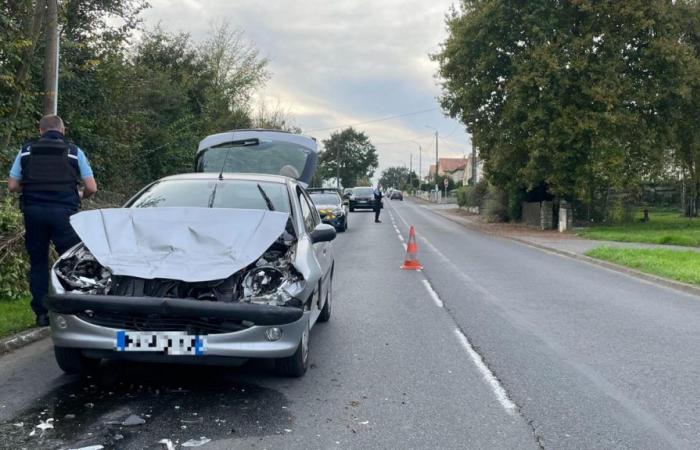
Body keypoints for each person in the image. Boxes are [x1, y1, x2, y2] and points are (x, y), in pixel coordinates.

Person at [7, 115, 97, 326]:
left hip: (34, 214)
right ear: (62, 131)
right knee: (72, 261)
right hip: (64, 216)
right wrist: (79, 195)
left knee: (38, 263)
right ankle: (74, 309)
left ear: (40, 131)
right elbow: (91, 187)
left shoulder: (27, 150)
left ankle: (41, 314)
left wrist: (28, 188)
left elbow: (12, 185)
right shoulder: (74, 152)